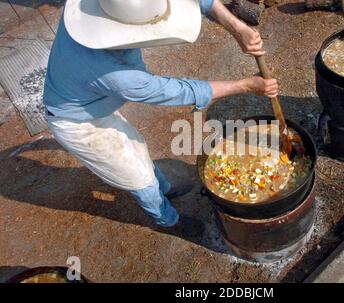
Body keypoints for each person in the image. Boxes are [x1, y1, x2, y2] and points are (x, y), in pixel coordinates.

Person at [43, 0, 278, 237]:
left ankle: (164, 188)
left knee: (136, 146)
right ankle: (168, 220)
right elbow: (174, 91)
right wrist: (246, 85)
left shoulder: (98, 6)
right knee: (136, 176)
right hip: (75, 122)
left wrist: (238, 28)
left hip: (92, 101)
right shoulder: (116, 75)